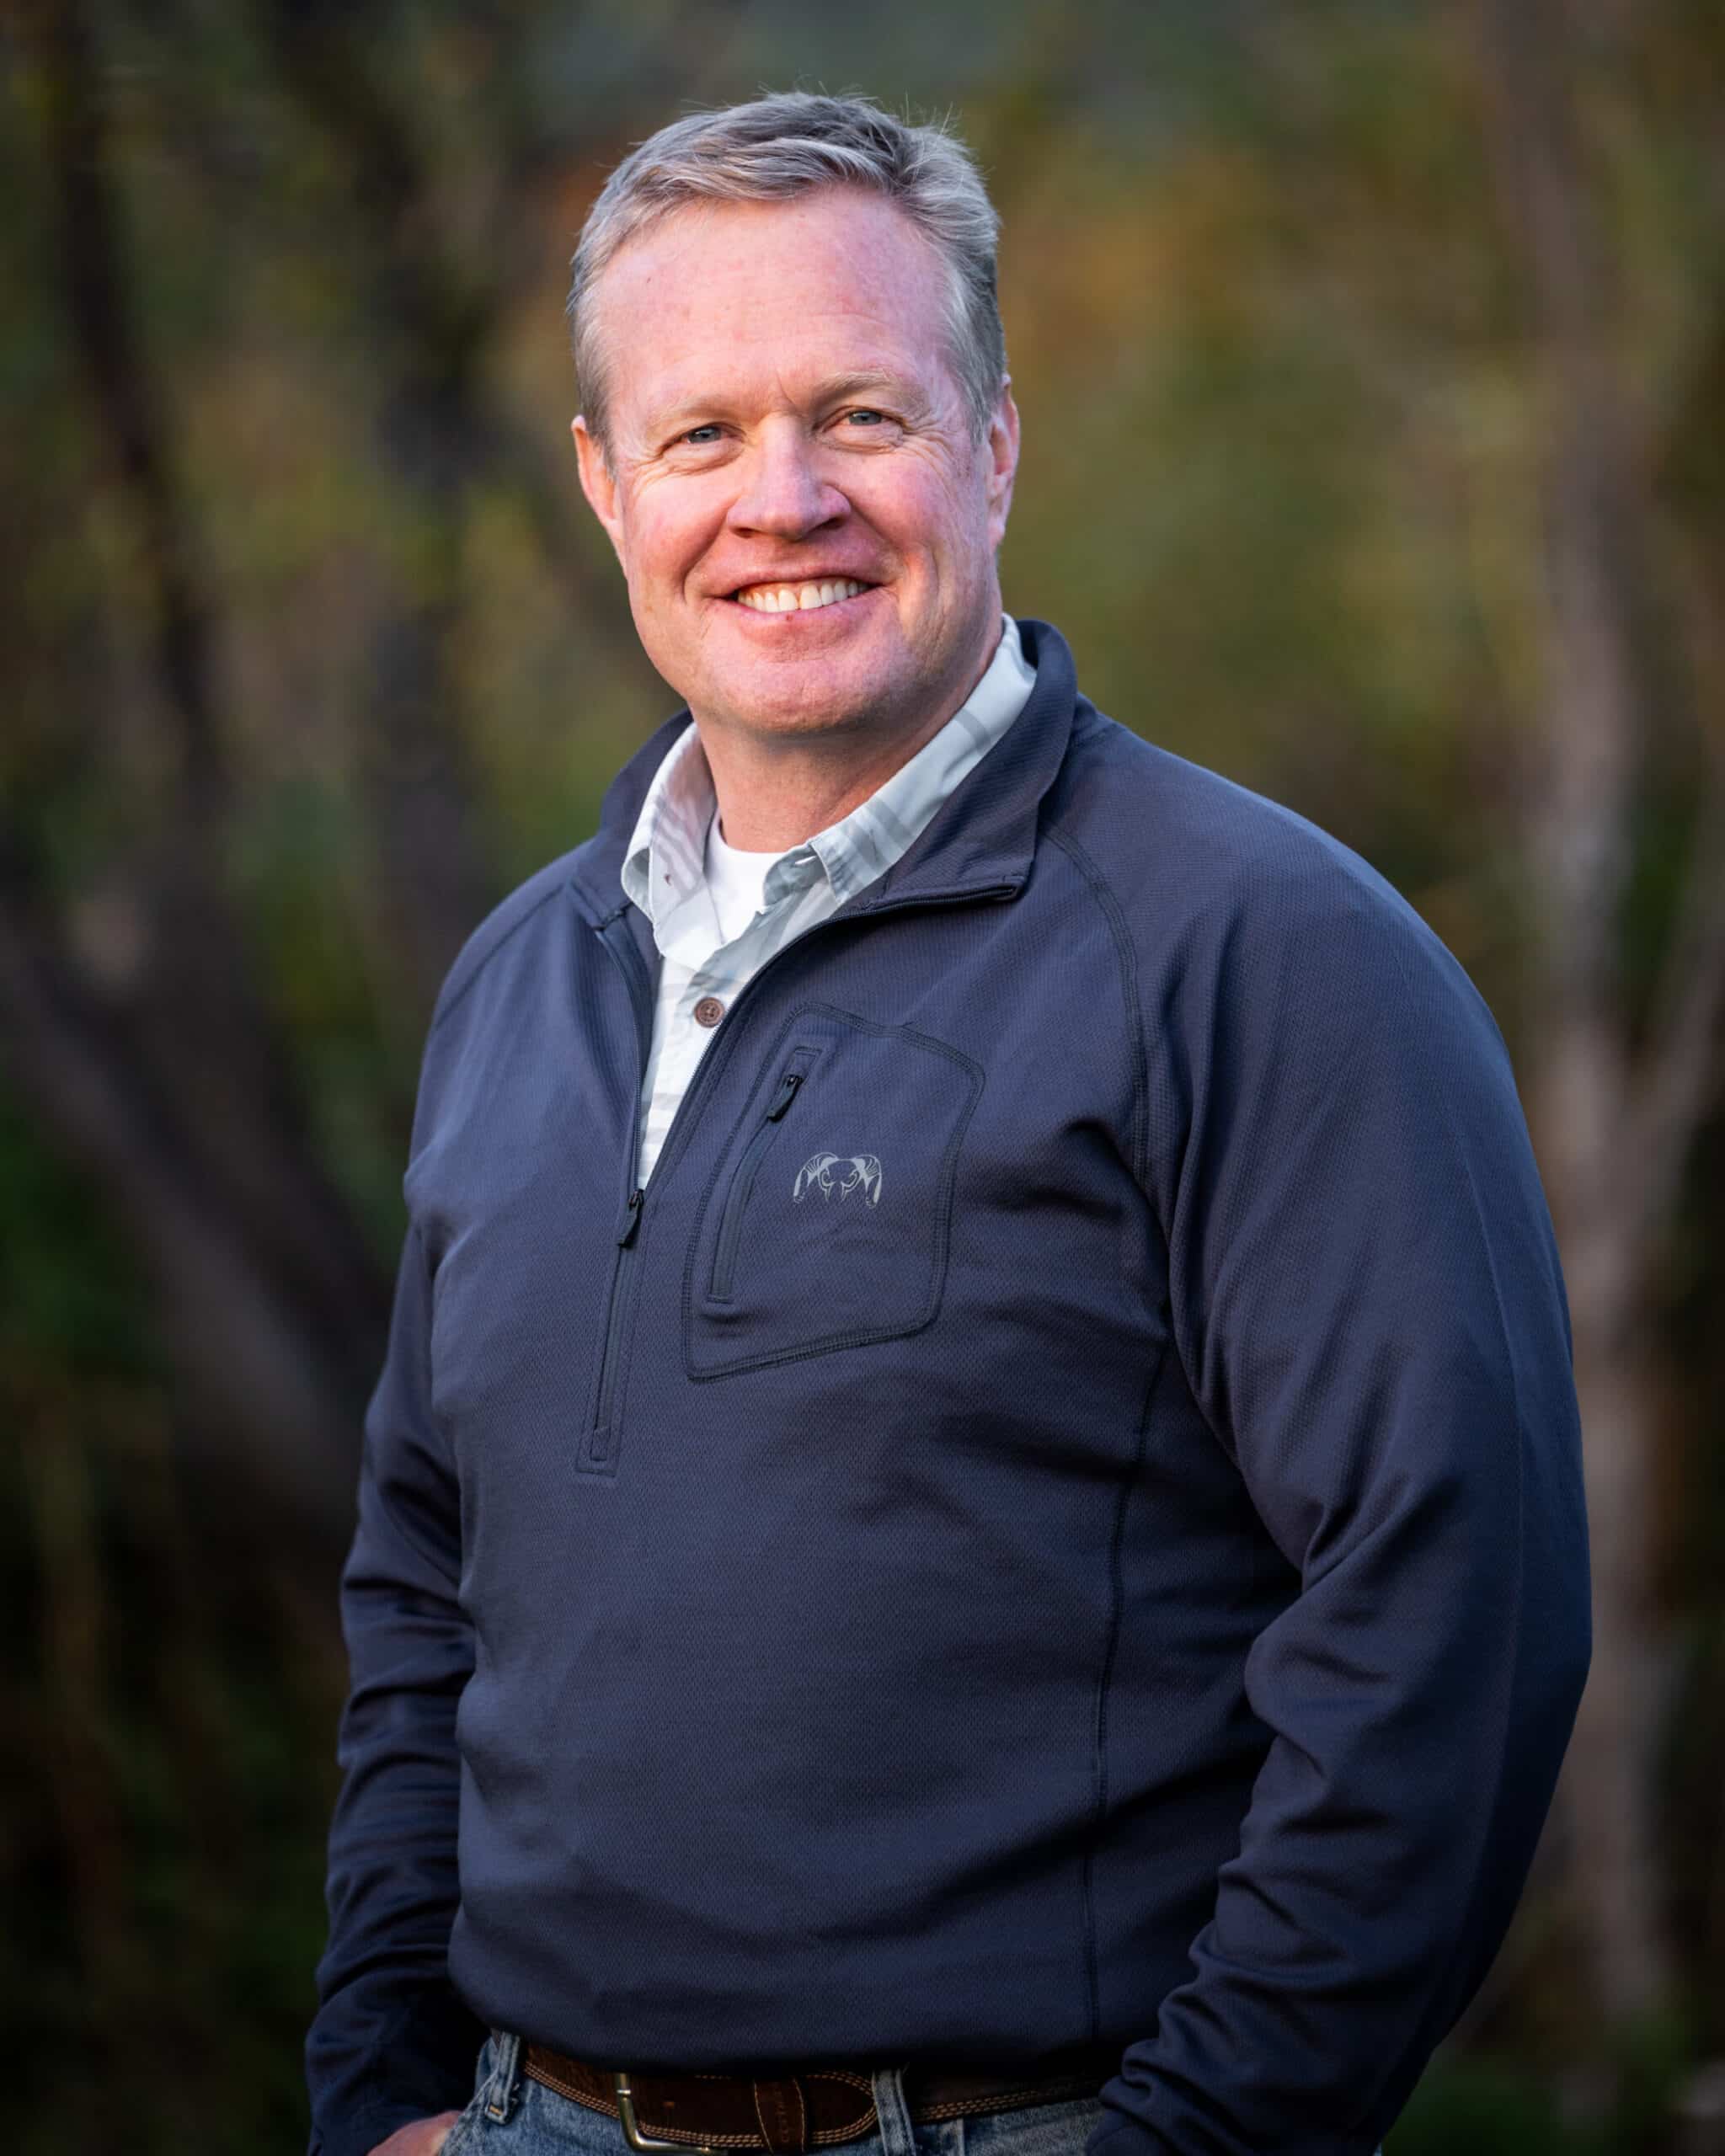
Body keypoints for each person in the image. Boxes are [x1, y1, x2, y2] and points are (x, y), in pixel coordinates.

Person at [306, 91, 1591, 2156]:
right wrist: (371, 2089)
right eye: (702, 434)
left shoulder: (1259, 955)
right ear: (599, 484)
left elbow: (1453, 1620)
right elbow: (424, 1589)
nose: (781, 497)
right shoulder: (521, 980)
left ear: (995, 441)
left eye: (862, 417)